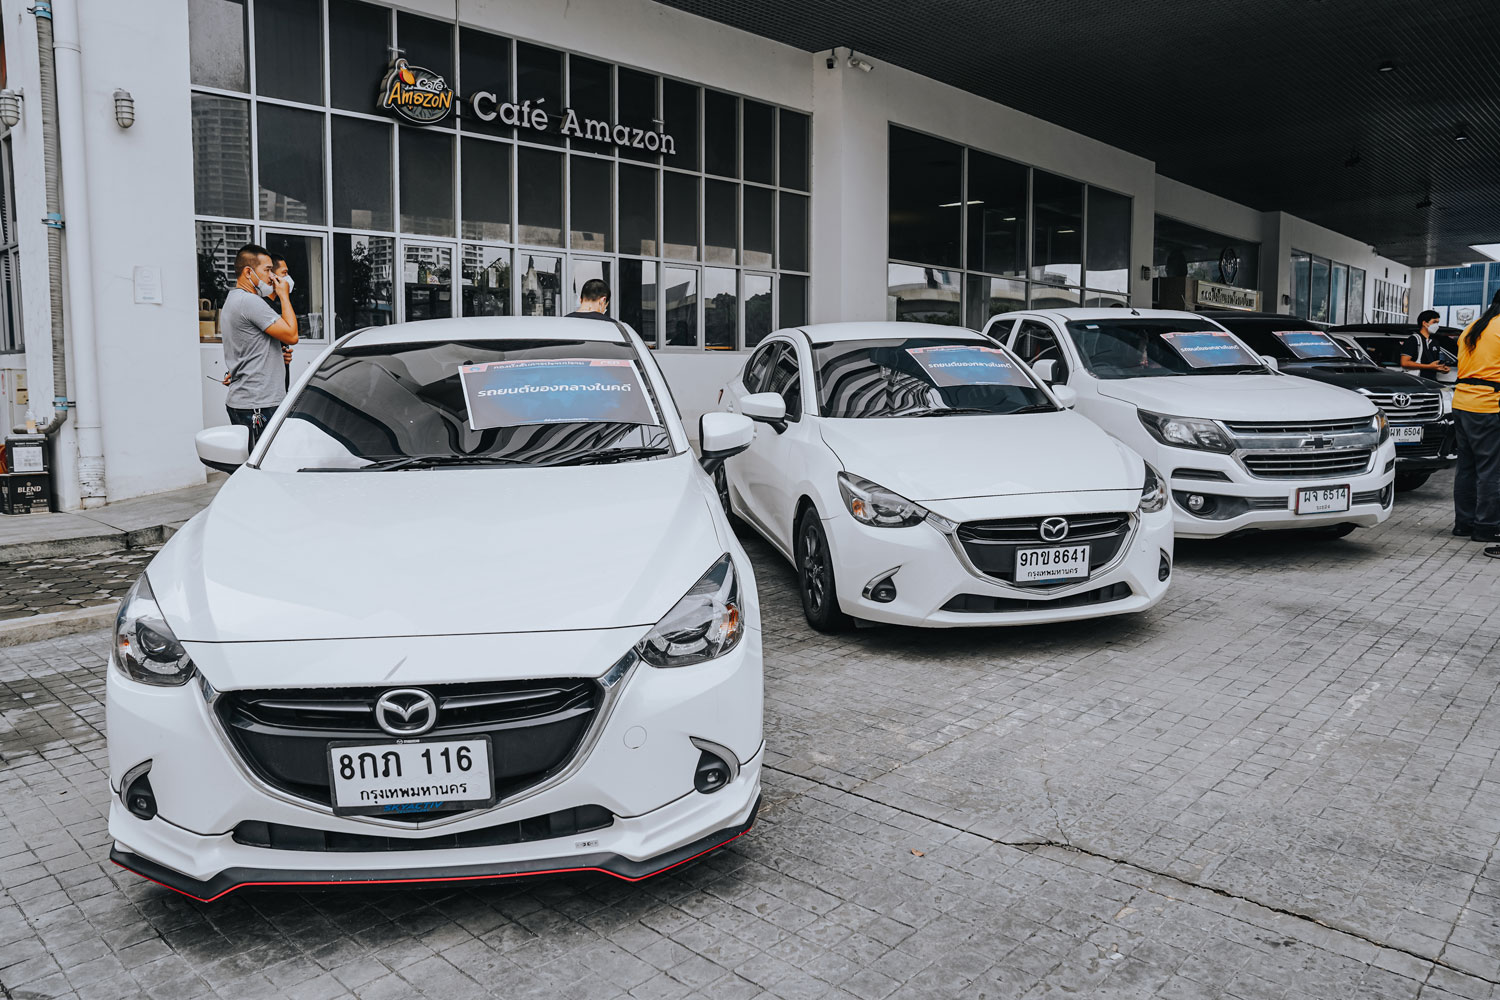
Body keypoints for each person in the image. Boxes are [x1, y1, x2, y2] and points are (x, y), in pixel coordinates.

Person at [221, 243, 298, 447]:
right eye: (267, 270)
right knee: (267, 470)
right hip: (259, 405)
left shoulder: (233, 300)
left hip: (248, 401)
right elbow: (291, 334)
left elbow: (249, 346)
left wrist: (274, 356)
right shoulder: (250, 302)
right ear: (248, 272)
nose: (271, 277)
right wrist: (283, 295)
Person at [1452, 289, 1500, 555]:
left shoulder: (1472, 327)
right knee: (1491, 469)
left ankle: (1464, 523)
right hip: (1488, 406)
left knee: (1467, 467)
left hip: (1461, 404)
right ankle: (1487, 526)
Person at [267, 253, 295, 387]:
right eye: (284, 273)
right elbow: (292, 336)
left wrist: (280, 356)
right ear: (271, 275)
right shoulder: (263, 306)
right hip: (268, 389)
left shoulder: (276, 305)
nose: (288, 278)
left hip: (279, 385)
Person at [1401, 310, 1450, 380]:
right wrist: (1429, 366)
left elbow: (1434, 364)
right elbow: (1404, 363)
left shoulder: (1434, 342)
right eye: (1434, 322)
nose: (1436, 326)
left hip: (1431, 381)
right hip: (1417, 381)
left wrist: (1442, 368)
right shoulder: (1413, 339)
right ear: (1424, 323)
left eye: (1437, 323)